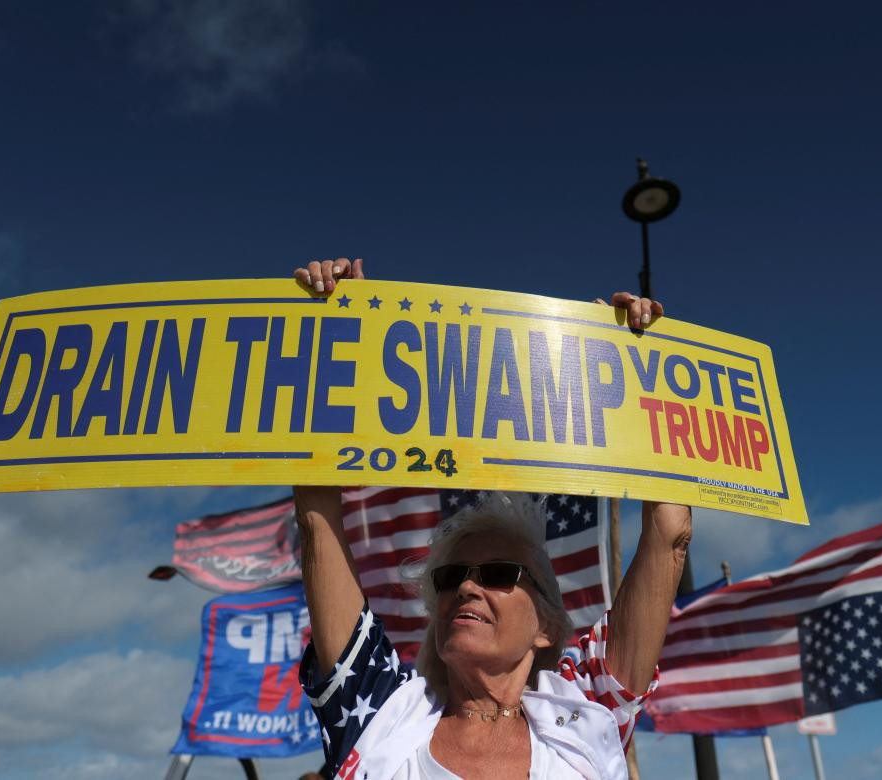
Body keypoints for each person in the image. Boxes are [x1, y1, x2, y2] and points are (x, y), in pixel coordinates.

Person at [292, 258, 691, 780]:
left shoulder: (587, 713)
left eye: (500, 574)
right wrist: (345, 334)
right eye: (451, 577)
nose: (467, 588)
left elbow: (669, 534)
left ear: (547, 627)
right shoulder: (384, 713)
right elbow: (317, 525)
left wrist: (632, 364)